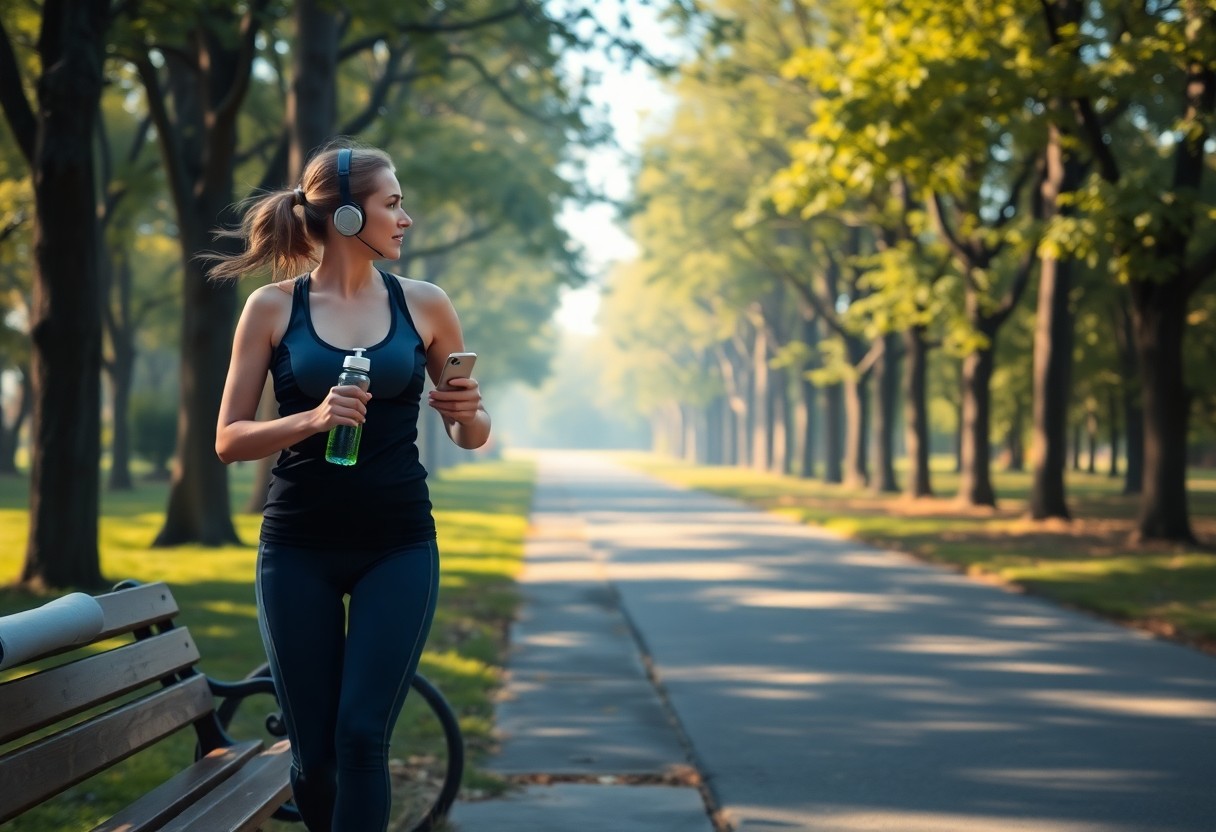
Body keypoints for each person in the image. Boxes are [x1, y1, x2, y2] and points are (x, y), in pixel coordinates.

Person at [212, 140, 490, 832]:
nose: (406, 219)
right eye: (392, 204)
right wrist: (311, 418)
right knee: (314, 755)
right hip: (297, 549)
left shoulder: (425, 304)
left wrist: (469, 414)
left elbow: (470, 433)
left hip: (397, 546)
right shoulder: (273, 308)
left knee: (363, 736)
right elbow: (228, 439)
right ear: (344, 218)